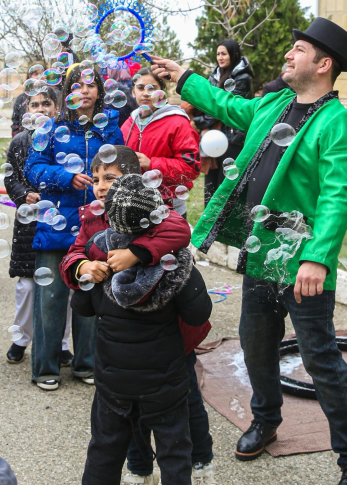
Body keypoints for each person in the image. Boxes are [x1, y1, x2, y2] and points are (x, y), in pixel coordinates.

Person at [151, 17, 347, 485]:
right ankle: (266, 421)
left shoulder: (340, 124)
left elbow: (337, 197)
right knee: (257, 347)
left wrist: (317, 257)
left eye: (298, 49)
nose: (289, 55)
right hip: (262, 254)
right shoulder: (274, 102)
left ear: (324, 63)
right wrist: (183, 77)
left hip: (302, 263)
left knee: (321, 361)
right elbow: (228, 104)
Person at [60, 146, 215, 485]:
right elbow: (73, 257)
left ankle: (202, 462)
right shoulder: (92, 219)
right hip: (153, 358)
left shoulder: (158, 217)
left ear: (133, 182)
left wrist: (133, 253)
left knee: (178, 409)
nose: (101, 186)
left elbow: (178, 230)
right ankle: (142, 467)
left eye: (110, 179)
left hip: (156, 354)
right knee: (152, 425)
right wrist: (85, 266)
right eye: (97, 178)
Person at [24, 63, 124, 391]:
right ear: (67, 92)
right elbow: (33, 168)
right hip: (57, 223)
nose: (85, 91)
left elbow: (122, 166)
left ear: (99, 90)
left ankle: (87, 364)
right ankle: (45, 368)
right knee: (50, 300)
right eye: (78, 86)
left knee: (91, 297)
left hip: (97, 225)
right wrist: (66, 178)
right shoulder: (50, 129)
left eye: (91, 85)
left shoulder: (110, 129)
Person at [4, 88, 73, 365]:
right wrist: (24, 194)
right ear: (26, 110)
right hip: (29, 220)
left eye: (47, 103)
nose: (41, 109)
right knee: (28, 286)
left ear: (56, 108)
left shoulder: (65, 138)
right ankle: (21, 338)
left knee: (63, 284)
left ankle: (63, 342)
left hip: (59, 217)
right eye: (35, 104)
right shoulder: (20, 142)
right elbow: (11, 178)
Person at [121, 67, 201, 218]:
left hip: (169, 210)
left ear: (162, 91)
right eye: (140, 88)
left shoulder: (178, 123)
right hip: (134, 207)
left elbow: (191, 168)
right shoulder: (129, 124)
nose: (145, 93)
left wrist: (152, 164)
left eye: (152, 88)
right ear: (133, 92)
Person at [193, 40, 253, 205]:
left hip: (233, 138)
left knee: (226, 186)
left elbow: (224, 109)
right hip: (213, 137)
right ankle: (209, 221)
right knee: (210, 185)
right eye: (218, 53)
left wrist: (198, 121)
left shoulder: (243, 78)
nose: (220, 57)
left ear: (234, 55)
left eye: (224, 53)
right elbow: (206, 104)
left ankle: (224, 224)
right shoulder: (214, 75)